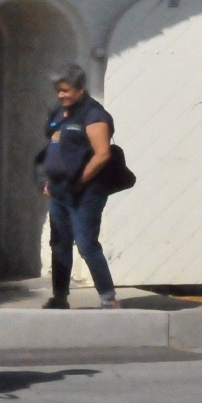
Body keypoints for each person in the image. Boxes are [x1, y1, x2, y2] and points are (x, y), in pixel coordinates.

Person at [40, 64, 119, 310]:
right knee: (59, 244)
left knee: (86, 243)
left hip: (86, 191)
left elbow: (103, 154)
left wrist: (80, 180)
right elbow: (52, 147)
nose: (61, 95)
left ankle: (109, 298)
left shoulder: (93, 114)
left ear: (81, 88)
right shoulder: (58, 113)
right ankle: (59, 297)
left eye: (66, 90)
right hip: (59, 191)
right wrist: (48, 181)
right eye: (58, 91)